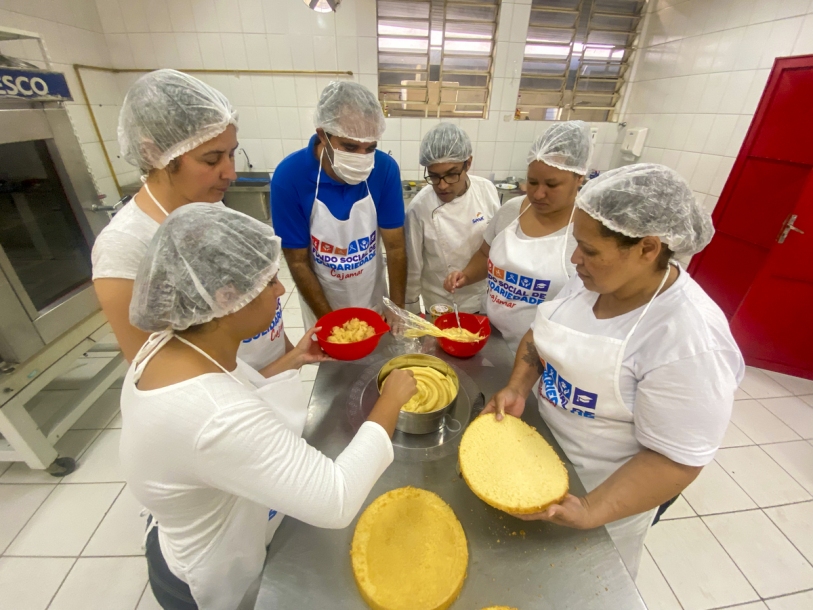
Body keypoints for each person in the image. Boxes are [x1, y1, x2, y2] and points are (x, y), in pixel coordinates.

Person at [121, 204, 417, 610]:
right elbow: (337, 497)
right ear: (226, 297)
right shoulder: (213, 415)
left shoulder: (170, 345)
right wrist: (391, 399)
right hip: (207, 578)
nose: (280, 290)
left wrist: (289, 360)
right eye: (269, 281)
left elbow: (231, 393)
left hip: (189, 529)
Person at [484, 164, 744, 579]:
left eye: (589, 250)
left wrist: (590, 509)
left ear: (647, 248)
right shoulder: (594, 282)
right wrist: (518, 385)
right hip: (537, 459)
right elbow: (540, 335)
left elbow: (677, 461)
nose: (575, 259)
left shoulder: (688, 341)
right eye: (577, 244)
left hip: (602, 497)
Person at [92, 69, 292, 369]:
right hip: (230, 407)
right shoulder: (125, 246)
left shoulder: (211, 206)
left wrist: (289, 354)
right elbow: (151, 370)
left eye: (232, 155)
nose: (230, 173)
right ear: (153, 152)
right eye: (212, 159)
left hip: (275, 382)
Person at [443, 121, 592, 351]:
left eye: (552, 185)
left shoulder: (588, 229)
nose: (538, 193)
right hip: (490, 336)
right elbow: (485, 254)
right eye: (532, 182)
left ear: (579, 177)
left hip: (543, 352)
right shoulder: (512, 210)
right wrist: (466, 275)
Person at [270, 81, 407, 328]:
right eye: (350, 147)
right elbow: (298, 261)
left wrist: (396, 307)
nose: (362, 158)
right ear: (323, 134)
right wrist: (332, 324)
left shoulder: (384, 170)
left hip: (372, 298)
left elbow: (395, 248)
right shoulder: (289, 177)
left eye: (371, 147)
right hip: (322, 304)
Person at [404, 123, 500, 314]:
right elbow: (413, 267)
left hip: (483, 297)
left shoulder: (486, 190)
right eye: (434, 176)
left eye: (451, 174)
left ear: (468, 163)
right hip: (441, 304)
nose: (443, 185)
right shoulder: (419, 207)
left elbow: (495, 245)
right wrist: (411, 311)